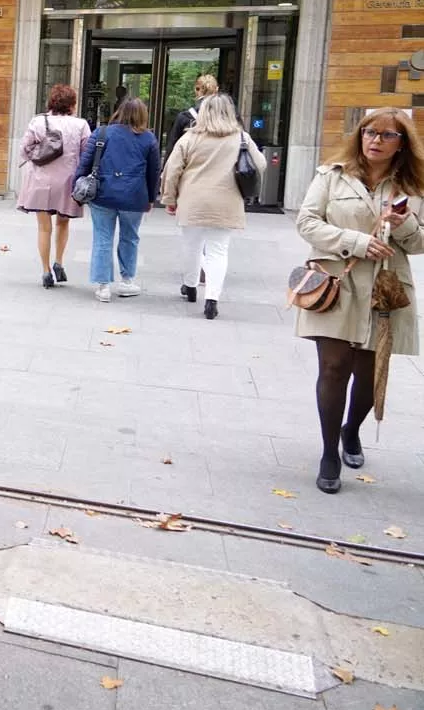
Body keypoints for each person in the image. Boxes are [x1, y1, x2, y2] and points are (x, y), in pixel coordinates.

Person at [295, 107, 424, 494]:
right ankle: (329, 451)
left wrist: (406, 226)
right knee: (334, 368)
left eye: (386, 135)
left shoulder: (412, 186)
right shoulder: (332, 175)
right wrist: (356, 241)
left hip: (384, 289)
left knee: (369, 376)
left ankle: (352, 429)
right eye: (369, 132)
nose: (375, 140)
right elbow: (306, 222)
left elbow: (420, 244)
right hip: (336, 282)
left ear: (402, 143)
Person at [160, 94, 263, 320]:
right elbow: (260, 164)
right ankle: (212, 299)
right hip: (227, 201)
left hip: (193, 200)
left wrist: (170, 199)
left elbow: (173, 170)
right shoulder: (241, 138)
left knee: (192, 246)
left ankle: (190, 286)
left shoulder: (190, 138)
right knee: (218, 250)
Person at [74, 97, 160, 303]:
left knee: (103, 238)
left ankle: (103, 286)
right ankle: (127, 281)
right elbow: (154, 172)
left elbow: (84, 164)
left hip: (103, 194)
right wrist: (150, 198)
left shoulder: (102, 133)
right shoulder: (148, 139)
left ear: (119, 111)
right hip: (134, 197)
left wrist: (75, 189)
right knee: (130, 237)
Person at [16, 84, 91, 288]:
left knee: (43, 227)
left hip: (40, 180)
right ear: (72, 104)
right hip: (67, 181)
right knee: (63, 223)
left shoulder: (38, 121)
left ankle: (46, 270)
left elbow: (24, 149)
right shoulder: (81, 125)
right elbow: (87, 154)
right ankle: (59, 262)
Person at [166, 73, 220, 156]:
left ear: (196, 90)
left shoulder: (184, 117)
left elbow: (172, 151)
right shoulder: (227, 118)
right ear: (216, 90)